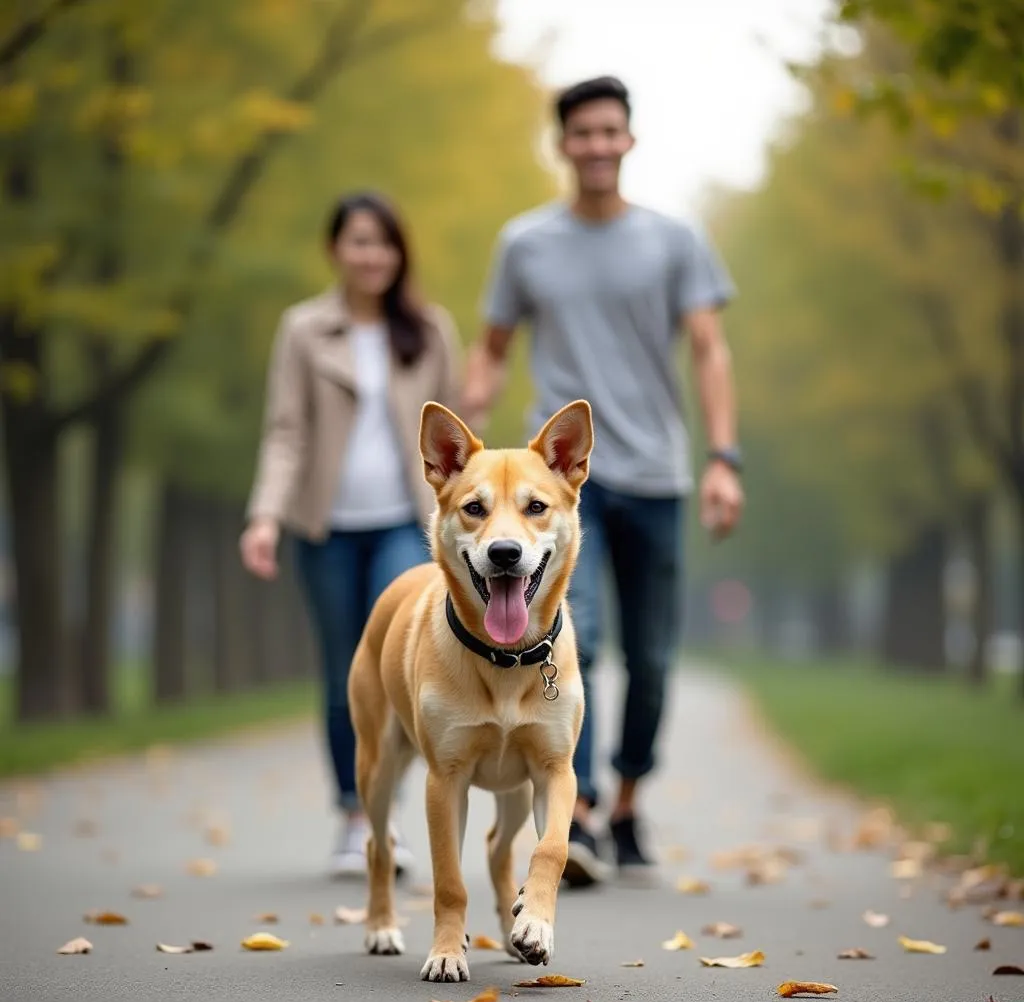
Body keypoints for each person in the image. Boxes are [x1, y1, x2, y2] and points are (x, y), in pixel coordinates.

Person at [461, 76, 744, 887]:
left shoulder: (674, 240)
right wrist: (473, 399)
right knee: (568, 637)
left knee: (651, 655)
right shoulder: (525, 243)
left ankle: (625, 804)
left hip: (654, 472)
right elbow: (492, 344)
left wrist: (724, 459)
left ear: (629, 139)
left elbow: (709, 350)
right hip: (554, 487)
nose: (595, 145)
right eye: (580, 132)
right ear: (563, 143)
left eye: (608, 131)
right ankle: (573, 813)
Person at [240, 191, 463, 879]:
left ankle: (389, 809)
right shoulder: (304, 330)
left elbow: (456, 436)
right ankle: (353, 811)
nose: (373, 255)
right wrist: (264, 516)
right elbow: (285, 431)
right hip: (326, 528)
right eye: (359, 241)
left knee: (399, 663)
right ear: (335, 248)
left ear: (401, 253)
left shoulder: (430, 330)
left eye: (384, 242)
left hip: (406, 524)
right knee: (347, 672)